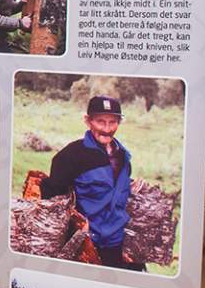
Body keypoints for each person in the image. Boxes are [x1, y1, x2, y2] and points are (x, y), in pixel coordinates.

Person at [40, 95, 137, 269]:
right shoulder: (71, 156)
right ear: (88, 120)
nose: (107, 129)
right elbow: (51, 200)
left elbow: (123, 199)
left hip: (117, 242)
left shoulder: (123, 156)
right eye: (101, 122)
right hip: (87, 245)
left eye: (112, 122)